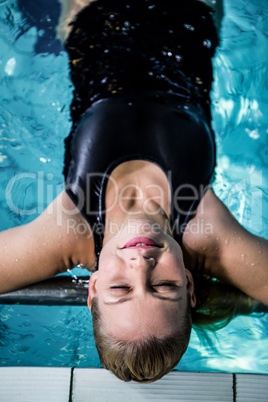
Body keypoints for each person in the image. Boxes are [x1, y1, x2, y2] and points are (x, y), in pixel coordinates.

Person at [0, 0, 267, 383]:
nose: (141, 265)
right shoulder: (208, 236)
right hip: (190, 17)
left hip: (94, 16)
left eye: (121, 287)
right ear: (190, 285)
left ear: (92, 288)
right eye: (164, 286)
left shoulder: (71, 232)